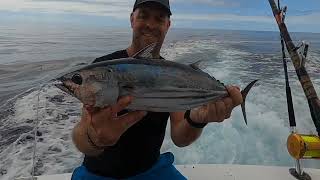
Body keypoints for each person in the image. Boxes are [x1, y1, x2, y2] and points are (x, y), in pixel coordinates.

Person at [71, 0, 243, 179]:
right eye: (144, 16)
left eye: (159, 19)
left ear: (168, 25)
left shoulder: (174, 73)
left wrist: (197, 120)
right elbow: (80, 136)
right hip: (98, 173)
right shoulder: (101, 67)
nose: (151, 25)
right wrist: (95, 138)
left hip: (152, 171)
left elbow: (180, 137)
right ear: (132, 19)